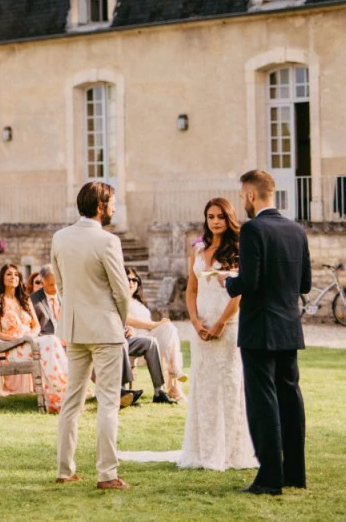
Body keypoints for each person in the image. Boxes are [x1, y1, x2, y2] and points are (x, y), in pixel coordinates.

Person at [222, 171, 311, 495]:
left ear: (250, 195)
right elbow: (305, 284)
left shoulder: (252, 229)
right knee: (290, 398)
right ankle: (295, 473)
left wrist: (229, 281)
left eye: (242, 196)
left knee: (263, 402)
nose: (242, 202)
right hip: (288, 326)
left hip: (260, 327)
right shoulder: (296, 230)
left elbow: (250, 282)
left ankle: (270, 478)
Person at [53, 181, 132, 490]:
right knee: (108, 403)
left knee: (71, 400)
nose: (114, 208)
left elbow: (61, 286)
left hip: (75, 329)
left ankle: (65, 470)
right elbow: (121, 291)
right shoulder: (108, 241)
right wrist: (120, 321)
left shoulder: (60, 238)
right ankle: (107, 474)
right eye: (112, 203)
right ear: (100, 206)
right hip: (105, 329)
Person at [178, 197, 255, 471]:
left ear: (228, 218)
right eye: (211, 217)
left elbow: (239, 293)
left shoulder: (239, 249)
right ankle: (203, 450)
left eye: (220, 216)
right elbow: (191, 289)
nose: (215, 221)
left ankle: (231, 451)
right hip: (201, 328)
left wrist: (221, 323)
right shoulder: (198, 250)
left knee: (229, 385)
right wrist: (195, 321)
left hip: (228, 326)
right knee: (204, 387)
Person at [0, 263, 68, 412]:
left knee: (52, 339)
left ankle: (64, 393)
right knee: (50, 342)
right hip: (13, 347)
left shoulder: (25, 299)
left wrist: (30, 336)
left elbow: (36, 326)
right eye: (9, 274)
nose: (13, 277)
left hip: (31, 342)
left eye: (16, 275)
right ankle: (60, 397)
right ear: (2, 278)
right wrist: (18, 340)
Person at [124, 266, 185, 401]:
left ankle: (174, 370)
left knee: (170, 328)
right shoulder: (120, 300)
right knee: (165, 329)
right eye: (127, 279)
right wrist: (154, 324)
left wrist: (159, 325)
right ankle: (174, 374)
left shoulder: (139, 302)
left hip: (150, 339)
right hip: (135, 342)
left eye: (134, 280)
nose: (131, 283)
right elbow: (127, 319)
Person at [29, 265, 60, 336]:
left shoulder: (64, 297)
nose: (55, 288)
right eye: (51, 285)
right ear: (42, 283)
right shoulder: (32, 300)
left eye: (57, 283)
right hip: (45, 339)